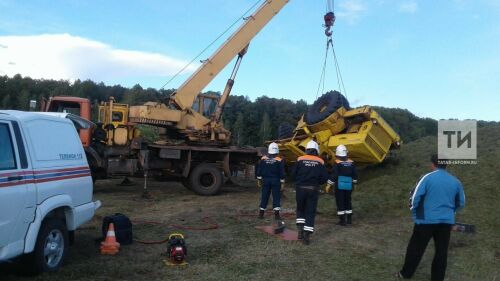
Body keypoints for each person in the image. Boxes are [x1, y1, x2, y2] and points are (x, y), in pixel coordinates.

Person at [396, 154, 465, 281]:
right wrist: (450, 213)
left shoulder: (426, 178)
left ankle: (406, 274)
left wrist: (415, 212)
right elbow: (461, 202)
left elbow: (415, 197)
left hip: (425, 220)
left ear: (432, 164)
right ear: (446, 165)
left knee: (415, 248)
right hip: (446, 222)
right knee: (441, 251)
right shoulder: (455, 181)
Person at [293, 140, 329, 245]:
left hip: (300, 188)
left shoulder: (300, 159)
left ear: (307, 149)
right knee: (310, 211)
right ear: (316, 150)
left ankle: (300, 230)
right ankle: (306, 235)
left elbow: (293, 174)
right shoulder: (320, 161)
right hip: (313, 189)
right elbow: (324, 178)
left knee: (300, 209)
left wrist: (298, 181)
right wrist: (318, 183)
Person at [326, 144, 358, 226]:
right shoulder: (351, 162)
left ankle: (342, 221)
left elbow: (335, 175)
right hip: (349, 184)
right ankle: (349, 220)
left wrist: (329, 184)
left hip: (340, 184)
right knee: (348, 200)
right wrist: (354, 183)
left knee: (340, 201)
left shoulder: (337, 163)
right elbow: (355, 174)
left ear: (337, 154)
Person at [256, 142, 286, 220]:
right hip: (275, 181)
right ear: (277, 151)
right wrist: (282, 182)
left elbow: (259, 170)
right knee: (276, 197)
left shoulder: (263, 159)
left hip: (265, 181)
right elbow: (281, 172)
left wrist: (259, 179)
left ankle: (261, 214)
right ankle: (277, 215)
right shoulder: (279, 160)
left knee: (264, 196)